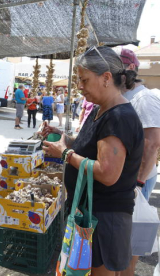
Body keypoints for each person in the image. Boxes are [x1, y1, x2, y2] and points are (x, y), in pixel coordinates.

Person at [42, 46, 144, 276]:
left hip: (104, 217)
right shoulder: (102, 110)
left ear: (106, 78)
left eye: (84, 80)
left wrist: (66, 154)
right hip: (93, 213)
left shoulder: (118, 117)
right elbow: (89, 145)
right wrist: (63, 137)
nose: (79, 86)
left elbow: (107, 174)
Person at [118, 48, 160, 276]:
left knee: (130, 242)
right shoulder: (126, 96)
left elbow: (152, 144)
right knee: (123, 239)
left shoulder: (144, 98)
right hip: (128, 179)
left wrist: (139, 184)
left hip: (137, 182)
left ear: (131, 68)